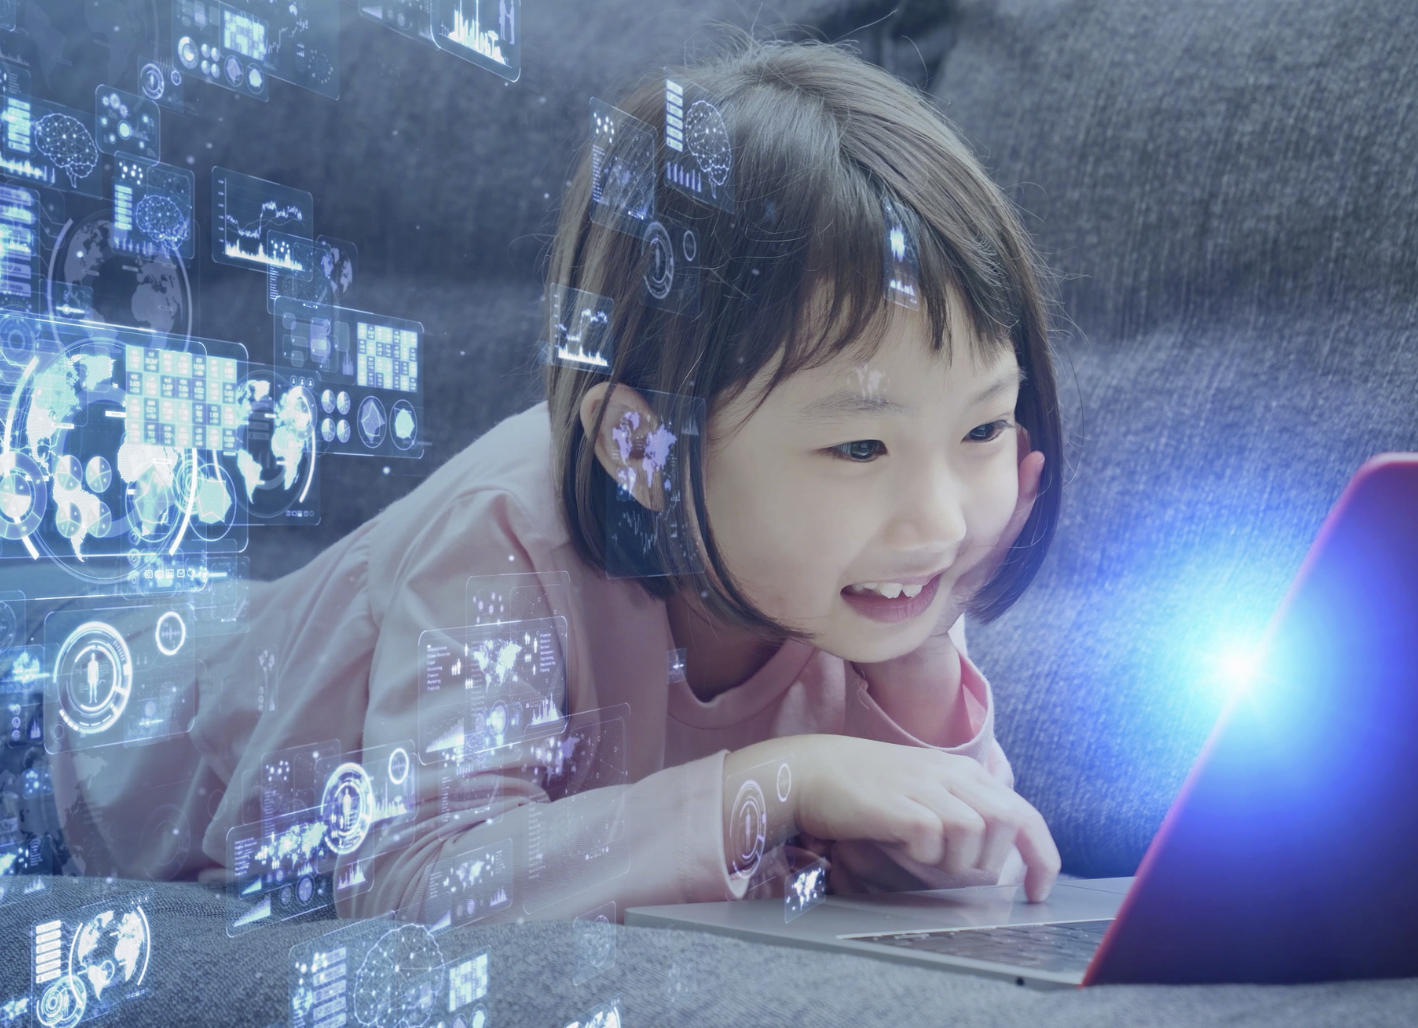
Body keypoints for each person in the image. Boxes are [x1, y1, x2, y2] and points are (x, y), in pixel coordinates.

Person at [51, 40, 1065, 924]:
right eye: (858, 447)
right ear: (641, 449)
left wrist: (921, 666)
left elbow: (952, 861)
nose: (939, 516)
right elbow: (418, 878)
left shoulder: (886, 561)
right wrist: (772, 783)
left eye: (981, 426)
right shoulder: (500, 534)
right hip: (99, 756)